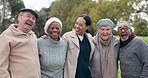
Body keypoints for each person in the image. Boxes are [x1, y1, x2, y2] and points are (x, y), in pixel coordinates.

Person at [0, 8, 41, 78]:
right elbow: (1, 66)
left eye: (33, 19)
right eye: (28, 16)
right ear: (19, 18)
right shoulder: (6, 36)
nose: (31, 20)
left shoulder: (33, 36)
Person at [62, 14, 95, 78]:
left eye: (80, 25)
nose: (77, 26)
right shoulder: (67, 37)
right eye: (76, 23)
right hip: (73, 75)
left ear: (87, 27)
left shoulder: (90, 38)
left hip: (86, 75)